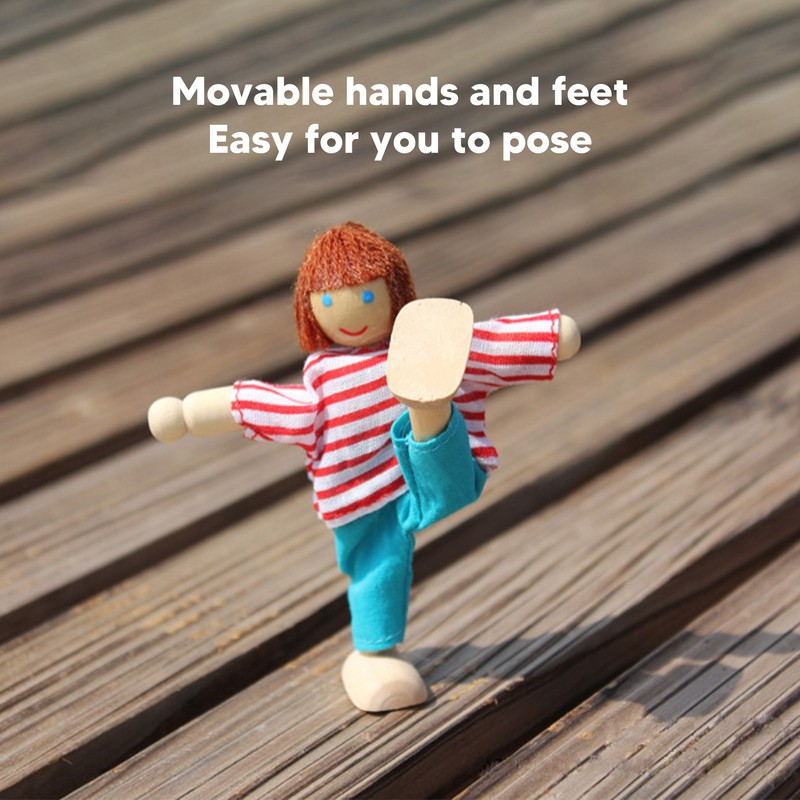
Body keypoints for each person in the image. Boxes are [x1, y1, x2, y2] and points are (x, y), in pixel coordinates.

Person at [148, 222, 581, 712]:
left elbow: (486, 345)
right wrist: (191, 413)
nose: (352, 312)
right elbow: (271, 404)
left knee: (447, 474)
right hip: (361, 493)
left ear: (395, 292)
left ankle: (428, 411)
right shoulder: (323, 384)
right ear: (310, 308)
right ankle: (374, 655)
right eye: (329, 301)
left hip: (430, 464)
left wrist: (547, 338)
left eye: (369, 295)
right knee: (378, 567)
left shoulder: (425, 343)